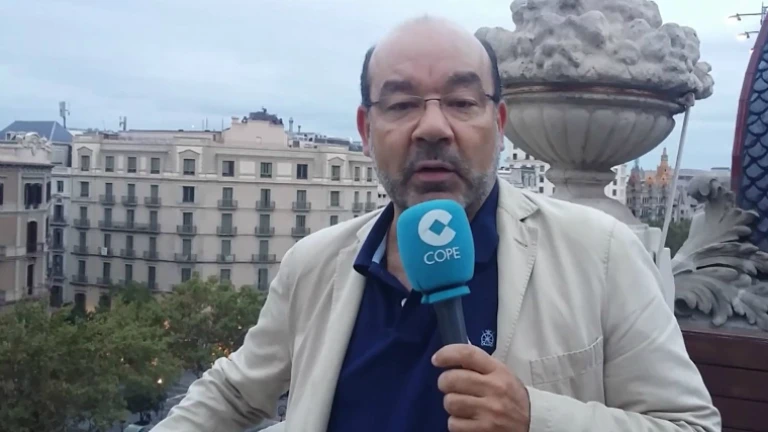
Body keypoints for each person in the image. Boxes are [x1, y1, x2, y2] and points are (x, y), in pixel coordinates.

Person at [153, 16, 721, 432]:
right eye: (401, 105)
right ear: (366, 129)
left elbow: (690, 425)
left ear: (499, 123)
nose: (432, 127)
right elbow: (232, 394)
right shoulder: (315, 262)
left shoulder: (601, 252)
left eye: (462, 102)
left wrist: (534, 416)